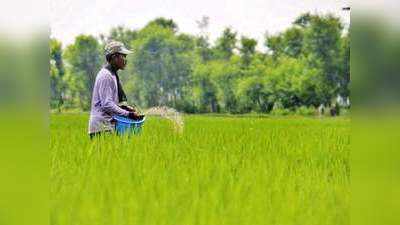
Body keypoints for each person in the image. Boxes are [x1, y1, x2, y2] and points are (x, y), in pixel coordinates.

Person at [88, 41, 142, 139]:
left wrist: (124, 107)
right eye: (123, 56)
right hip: (102, 128)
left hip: (108, 126)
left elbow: (110, 101)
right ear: (114, 57)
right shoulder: (106, 76)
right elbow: (107, 104)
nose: (125, 60)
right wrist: (128, 114)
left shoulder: (112, 75)